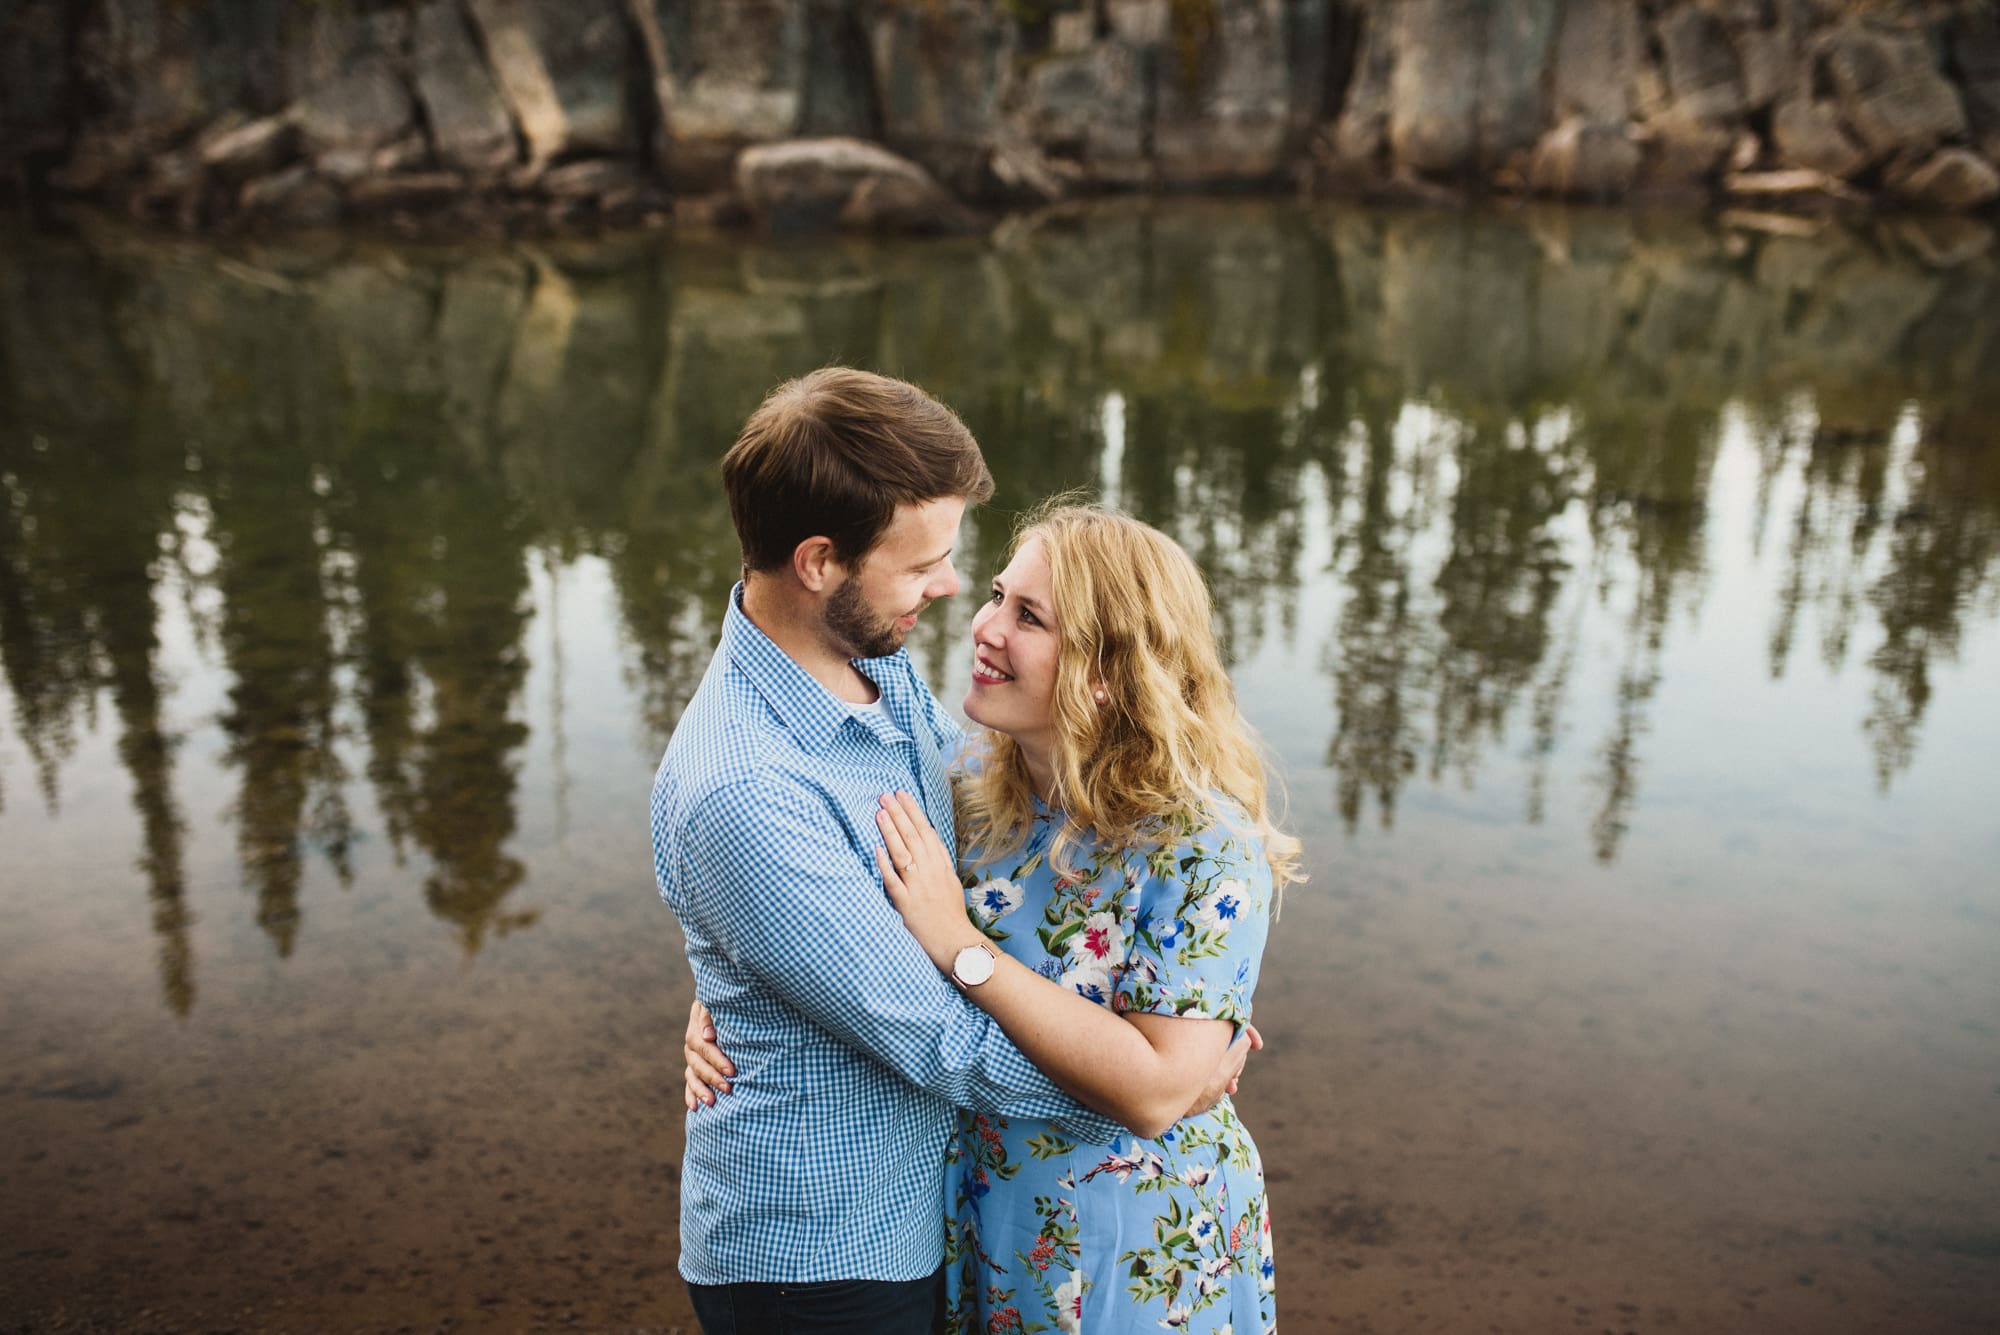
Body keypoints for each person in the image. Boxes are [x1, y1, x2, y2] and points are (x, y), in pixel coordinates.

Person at [650, 372, 1251, 1335]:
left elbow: (839, 908)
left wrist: (742, 973)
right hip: (822, 1255)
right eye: (924, 561)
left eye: (1015, 598)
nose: (953, 590)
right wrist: (1158, 1088)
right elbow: (943, 1041)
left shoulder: (876, 671)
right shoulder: (745, 791)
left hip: (941, 1208)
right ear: (819, 562)